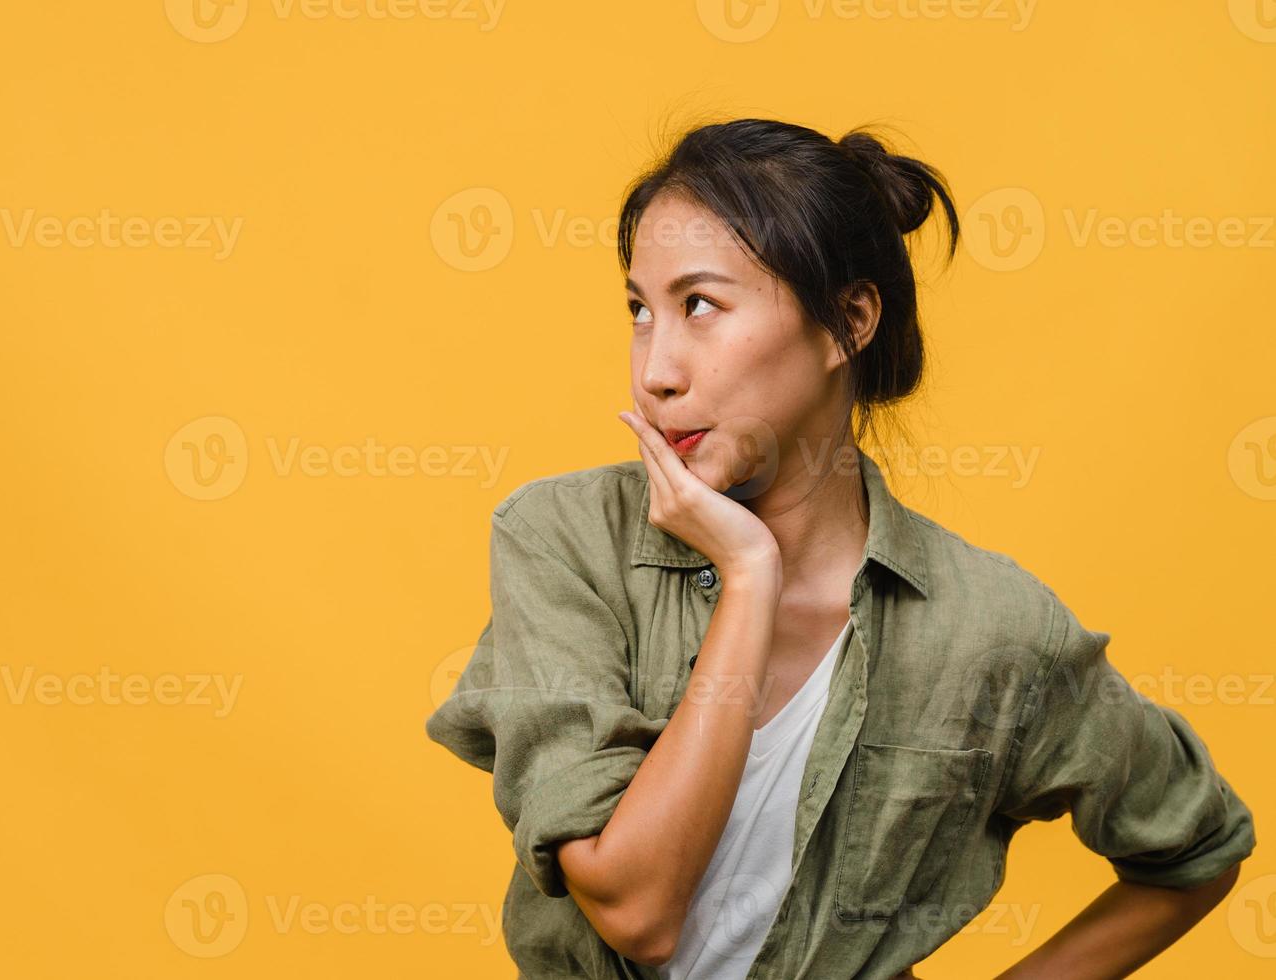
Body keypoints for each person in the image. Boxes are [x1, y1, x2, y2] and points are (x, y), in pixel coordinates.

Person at [425, 117, 1255, 979]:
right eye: (640, 310)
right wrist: (749, 576)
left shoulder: (990, 625)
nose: (655, 370)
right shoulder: (565, 541)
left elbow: (1197, 852)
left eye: (699, 306)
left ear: (847, 322)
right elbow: (635, 907)